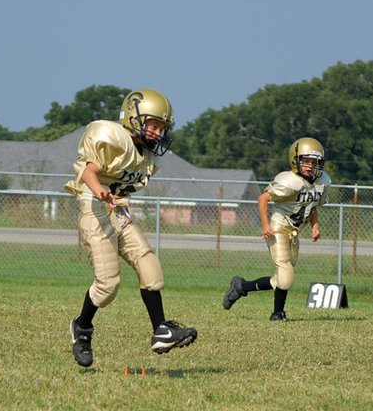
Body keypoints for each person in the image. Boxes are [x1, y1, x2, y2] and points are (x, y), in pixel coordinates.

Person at [64, 88, 197, 368]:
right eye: (153, 125)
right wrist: (101, 191)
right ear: (133, 118)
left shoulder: (148, 155)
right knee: (108, 285)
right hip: (94, 207)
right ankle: (82, 328)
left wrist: (116, 199)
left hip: (117, 208)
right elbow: (88, 171)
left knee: (148, 262)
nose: (158, 133)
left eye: (162, 127)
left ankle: (161, 330)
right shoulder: (112, 138)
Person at [222, 137, 330, 322]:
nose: (310, 166)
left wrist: (315, 226)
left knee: (281, 277)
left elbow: (312, 207)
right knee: (286, 274)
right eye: (306, 161)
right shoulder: (289, 180)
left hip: (295, 230)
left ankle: (243, 287)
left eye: (314, 162)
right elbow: (263, 198)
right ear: (295, 160)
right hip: (279, 226)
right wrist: (265, 225)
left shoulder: (322, 182)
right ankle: (277, 313)